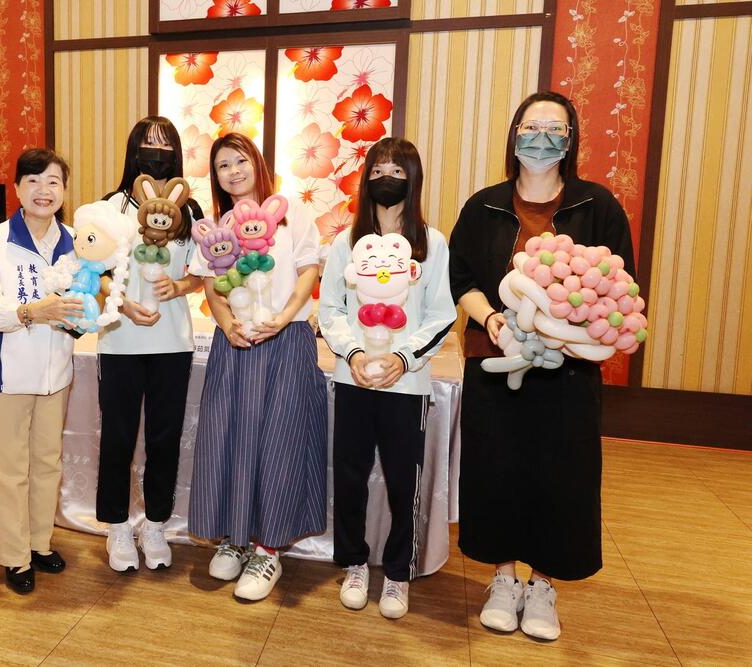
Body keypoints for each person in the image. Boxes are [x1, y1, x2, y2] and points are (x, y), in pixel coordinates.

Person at [449, 91, 634, 640]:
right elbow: (461, 279)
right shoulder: (483, 206)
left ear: (570, 141)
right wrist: (491, 320)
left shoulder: (597, 205)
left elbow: (619, 286)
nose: (542, 138)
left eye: (556, 129)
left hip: (568, 371)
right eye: (531, 128)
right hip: (495, 363)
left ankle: (544, 586)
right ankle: (503, 579)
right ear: (514, 136)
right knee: (495, 470)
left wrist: (570, 336)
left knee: (561, 476)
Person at [319, 137, 456, 619]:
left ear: (412, 179)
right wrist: (353, 352)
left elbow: (441, 314)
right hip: (352, 378)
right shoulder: (345, 242)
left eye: (397, 170)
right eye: (377, 170)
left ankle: (398, 572)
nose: (386, 178)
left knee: (403, 481)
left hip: (406, 384)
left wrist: (403, 357)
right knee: (350, 477)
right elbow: (330, 308)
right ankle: (354, 563)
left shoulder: (432, 243)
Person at [188, 132, 327, 602]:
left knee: (279, 443)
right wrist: (226, 324)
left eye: (240, 160)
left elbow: (309, 269)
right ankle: (235, 537)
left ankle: (269, 550)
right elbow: (211, 284)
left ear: (257, 163)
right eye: (223, 165)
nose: (233, 171)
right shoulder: (216, 226)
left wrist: (284, 318)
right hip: (235, 343)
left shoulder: (291, 213)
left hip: (285, 341)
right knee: (229, 438)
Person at [0, 148, 86, 595]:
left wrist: (86, 315)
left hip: (55, 371)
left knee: (48, 462)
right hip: (6, 371)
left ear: (64, 191)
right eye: (34, 180)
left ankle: (40, 543)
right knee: (10, 468)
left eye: (54, 181)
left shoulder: (76, 241)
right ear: (17, 188)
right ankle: (15, 556)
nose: (44, 190)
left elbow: (86, 300)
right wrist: (32, 311)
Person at [96, 116, 205, 572]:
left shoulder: (191, 209)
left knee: (164, 437)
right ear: (133, 151)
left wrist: (179, 287)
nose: (156, 152)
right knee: (118, 438)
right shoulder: (109, 207)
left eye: (165, 145)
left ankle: (156, 523)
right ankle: (117, 526)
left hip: (172, 342)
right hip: (119, 341)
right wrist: (120, 303)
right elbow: (94, 272)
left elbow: (204, 272)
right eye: (148, 143)